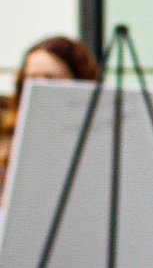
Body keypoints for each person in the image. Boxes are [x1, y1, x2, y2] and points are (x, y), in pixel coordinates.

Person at [0, 36, 101, 195]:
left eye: (50, 79)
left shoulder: (98, 142)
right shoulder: (7, 138)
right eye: (32, 79)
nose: (38, 88)